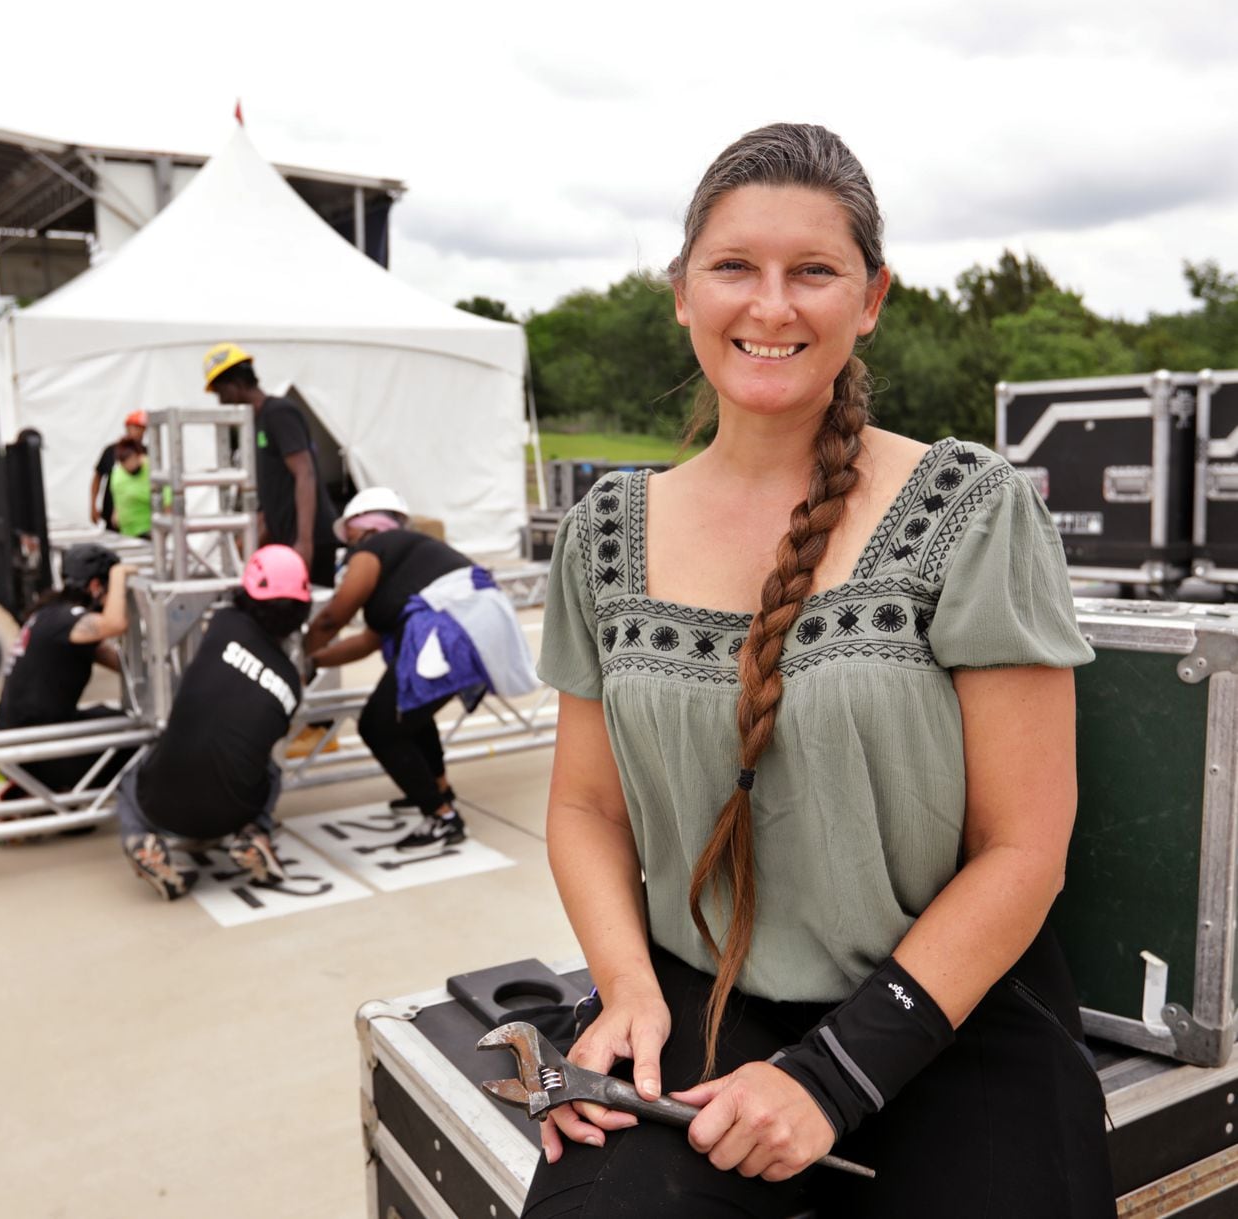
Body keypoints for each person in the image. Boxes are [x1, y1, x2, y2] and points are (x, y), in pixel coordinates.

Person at [525, 124, 1112, 1219]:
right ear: (681, 291)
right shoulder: (603, 532)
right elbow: (584, 805)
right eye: (734, 266)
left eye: (813, 272)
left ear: (871, 296)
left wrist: (832, 1079)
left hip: (947, 1004)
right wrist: (623, 992)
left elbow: (1022, 846)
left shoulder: (972, 506)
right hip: (699, 998)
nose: (771, 305)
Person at [303, 488, 535, 851]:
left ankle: (441, 817)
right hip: (464, 625)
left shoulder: (374, 548)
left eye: (347, 534)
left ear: (362, 526)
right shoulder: (406, 559)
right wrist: (315, 662)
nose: (345, 545)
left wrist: (303, 651)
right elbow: (369, 640)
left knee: (378, 726)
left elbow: (335, 615)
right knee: (410, 713)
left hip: (452, 629)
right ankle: (436, 789)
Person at [117, 544, 311, 900]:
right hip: (233, 813)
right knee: (271, 771)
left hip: (159, 805)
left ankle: (140, 840)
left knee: (131, 776)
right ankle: (255, 834)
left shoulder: (223, 624)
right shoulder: (290, 684)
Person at [0, 544, 132, 829]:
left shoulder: (52, 615)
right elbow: (115, 624)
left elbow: (114, 660)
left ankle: (52, 793)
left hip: (19, 740)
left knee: (111, 715)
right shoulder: (66, 619)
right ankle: (52, 789)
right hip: (36, 751)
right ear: (96, 586)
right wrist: (120, 575)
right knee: (137, 736)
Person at [202, 343, 340, 586]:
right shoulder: (256, 423)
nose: (221, 400)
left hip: (311, 537)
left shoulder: (279, 413)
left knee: (310, 611)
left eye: (220, 392)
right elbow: (273, 489)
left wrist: (304, 541)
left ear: (236, 383)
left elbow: (304, 474)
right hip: (287, 537)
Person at [90, 410, 147, 529]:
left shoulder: (148, 454)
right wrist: (93, 505)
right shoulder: (111, 451)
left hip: (142, 519)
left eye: (141, 428)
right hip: (115, 517)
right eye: (135, 427)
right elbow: (98, 477)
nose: (139, 432)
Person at [107, 436, 152, 540]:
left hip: (148, 530)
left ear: (138, 456)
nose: (126, 466)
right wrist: (116, 511)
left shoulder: (152, 469)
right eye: (122, 462)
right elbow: (118, 494)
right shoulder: (118, 472)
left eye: (128, 460)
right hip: (126, 531)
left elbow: (168, 501)